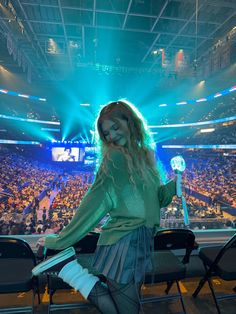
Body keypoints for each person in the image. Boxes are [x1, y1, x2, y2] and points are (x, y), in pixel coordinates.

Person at [32, 100, 178, 314]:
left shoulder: (145, 155)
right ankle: (69, 270)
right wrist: (62, 239)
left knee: (126, 308)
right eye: (106, 133)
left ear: (130, 122)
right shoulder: (115, 158)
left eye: (115, 127)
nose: (110, 136)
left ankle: (68, 269)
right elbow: (95, 200)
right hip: (124, 243)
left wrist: (176, 185)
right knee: (129, 311)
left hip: (139, 240)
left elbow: (157, 200)